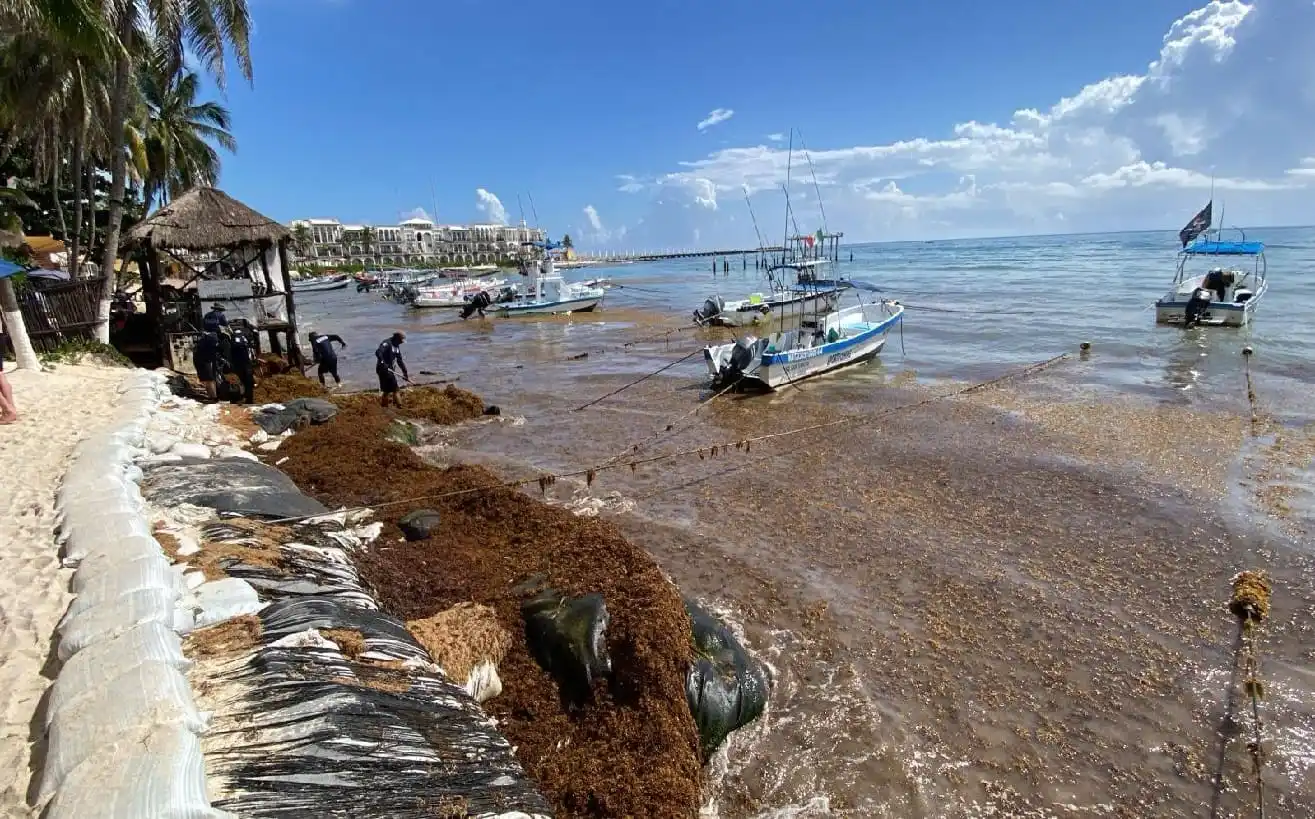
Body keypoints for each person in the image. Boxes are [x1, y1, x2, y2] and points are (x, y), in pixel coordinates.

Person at [375, 331, 409, 408]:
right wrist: (383, 362)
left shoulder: (396, 346)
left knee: (386, 390)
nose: (401, 343)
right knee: (396, 389)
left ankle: (384, 407)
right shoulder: (387, 343)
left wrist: (405, 373)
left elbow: (399, 361)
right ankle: (400, 406)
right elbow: (378, 352)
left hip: (389, 370)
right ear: (396, 338)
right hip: (383, 369)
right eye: (401, 341)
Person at [228, 326, 257, 404]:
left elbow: (230, 354)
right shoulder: (246, 338)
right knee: (249, 382)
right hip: (247, 363)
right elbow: (251, 351)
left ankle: (238, 398)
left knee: (240, 381)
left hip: (237, 364)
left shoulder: (232, 339)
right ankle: (249, 399)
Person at [193, 330, 222, 401]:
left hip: (201, 360)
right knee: (209, 379)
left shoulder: (204, 342)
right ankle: (213, 397)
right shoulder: (212, 342)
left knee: (208, 380)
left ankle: (213, 397)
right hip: (206, 361)